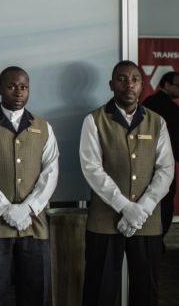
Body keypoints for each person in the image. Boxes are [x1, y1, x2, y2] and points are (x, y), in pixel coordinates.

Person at [80, 60, 174, 306]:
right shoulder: (94, 120)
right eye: (122, 79)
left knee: (146, 290)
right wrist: (125, 206)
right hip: (104, 220)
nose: (128, 84)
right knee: (99, 290)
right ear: (111, 84)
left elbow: (165, 169)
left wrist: (142, 208)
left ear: (142, 85)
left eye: (135, 79)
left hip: (147, 219)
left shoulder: (157, 122)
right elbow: (91, 169)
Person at [0, 66, 59, 306]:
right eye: (12, 86)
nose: (18, 92)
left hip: (34, 222)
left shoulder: (43, 126)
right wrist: (6, 208)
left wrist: (28, 208)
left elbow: (51, 172)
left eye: (24, 87)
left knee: (36, 289)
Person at [142, 71, 179, 239]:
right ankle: (158, 238)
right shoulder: (172, 109)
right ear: (166, 84)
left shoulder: (147, 102)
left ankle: (151, 237)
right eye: (178, 85)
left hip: (144, 162)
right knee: (165, 200)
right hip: (165, 161)